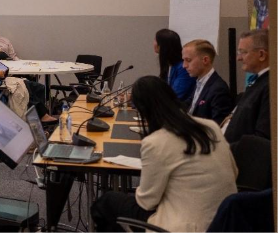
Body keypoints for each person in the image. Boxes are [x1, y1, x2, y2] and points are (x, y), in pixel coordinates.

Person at [92, 76, 238, 233]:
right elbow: (234, 172)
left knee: (105, 203)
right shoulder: (211, 127)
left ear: (143, 110)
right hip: (226, 222)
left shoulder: (156, 142)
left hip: (185, 227)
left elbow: (146, 201)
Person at [224, 29, 270, 143]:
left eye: (243, 52)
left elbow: (261, 138)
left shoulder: (269, 87)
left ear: (261, 55)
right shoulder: (258, 82)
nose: (238, 58)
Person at [181, 39, 233, 125]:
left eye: (188, 60)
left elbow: (217, 126)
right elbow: (188, 105)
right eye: (183, 60)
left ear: (205, 60)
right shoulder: (200, 82)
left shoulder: (218, 89)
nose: (184, 65)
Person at [155, 28, 195, 103]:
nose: (153, 43)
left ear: (161, 45)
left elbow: (175, 96)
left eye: (155, 40)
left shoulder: (183, 68)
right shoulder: (169, 66)